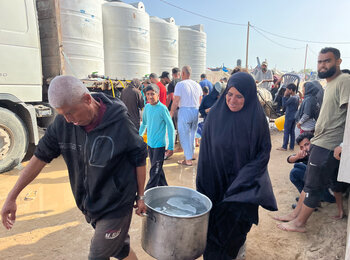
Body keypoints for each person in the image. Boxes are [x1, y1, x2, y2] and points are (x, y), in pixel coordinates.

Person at [1, 75, 148, 259]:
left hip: (116, 205)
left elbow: (139, 156)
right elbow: (39, 158)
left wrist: (141, 196)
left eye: (71, 112)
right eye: (62, 114)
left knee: (97, 254)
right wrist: (12, 196)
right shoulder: (63, 124)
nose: (68, 120)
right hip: (91, 205)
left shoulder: (120, 122)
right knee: (120, 250)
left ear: (87, 99)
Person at [196, 72, 277, 260]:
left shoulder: (256, 120)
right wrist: (203, 188)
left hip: (242, 191)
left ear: (248, 97)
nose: (232, 100)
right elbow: (206, 156)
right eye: (229, 94)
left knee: (233, 237)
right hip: (215, 188)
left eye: (239, 96)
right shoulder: (215, 115)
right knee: (212, 241)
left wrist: (243, 180)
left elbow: (263, 153)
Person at [275, 47, 350, 232]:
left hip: (329, 144)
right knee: (308, 183)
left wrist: (343, 144)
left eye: (327, 61)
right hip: (319, 141)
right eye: (320, 61)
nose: (323, 65)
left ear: (338, 62)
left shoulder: (344, 81)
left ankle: (300, 224)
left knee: (313, 187)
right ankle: (294, 216)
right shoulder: (329, 84)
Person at [139, 84, 175, 190]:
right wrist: (138, 137)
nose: (150, 97)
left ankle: (145, 198)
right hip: (150, 145)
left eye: (152, 94)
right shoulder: (147, 108)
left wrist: (171, 146)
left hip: (159, 145)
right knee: (158, 172)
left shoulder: (162, 109)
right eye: (148, 94)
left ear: (158, 95)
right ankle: (166, 191)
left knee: (154, 174)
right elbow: (144, 124)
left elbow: (171, 127)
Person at [287, 132, 335, 207]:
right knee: (297, 168)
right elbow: (289, 160)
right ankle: (310, 199)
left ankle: (308, 202)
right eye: (302, 147)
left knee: (296, 171)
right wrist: (297, 157)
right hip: (323, 190)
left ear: (313, 141)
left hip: (330, 194)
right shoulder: (310, 152)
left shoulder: (319, 153)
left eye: (307, 144)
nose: (305, 148)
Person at [170, 65, 202, 166]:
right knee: (192, 135)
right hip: (195, 110)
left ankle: (188, 160)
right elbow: (200, 99)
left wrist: (171, 113)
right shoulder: (197, 85)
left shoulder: (180, 84)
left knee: (184, 135)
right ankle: (191, 155)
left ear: (182, 74)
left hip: (185, 110)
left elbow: (176, 101)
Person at [277, 83, 299, 151]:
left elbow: (284, 104)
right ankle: (291, 147)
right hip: (294, 116)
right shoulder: (297, 96)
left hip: (289, 116)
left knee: (286, 131)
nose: (286, 91)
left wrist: (284, 96)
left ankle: (284, 147)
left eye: (287, 90)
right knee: (292, 132)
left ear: (291, 90)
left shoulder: (292, 98)